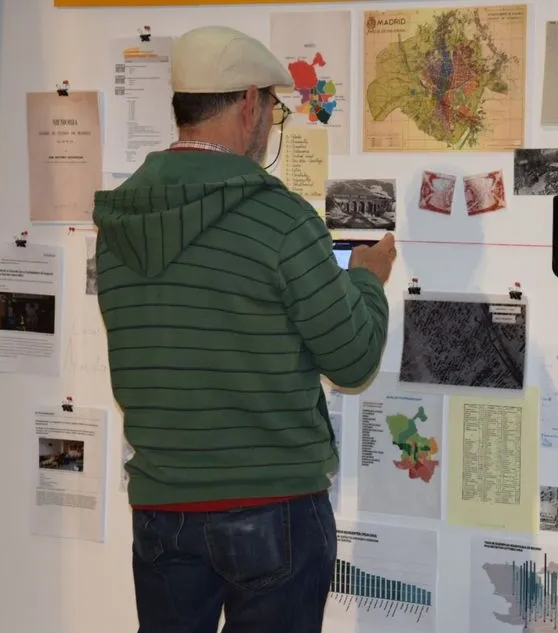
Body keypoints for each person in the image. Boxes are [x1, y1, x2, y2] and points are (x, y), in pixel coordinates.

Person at [91, 25, 397, 633]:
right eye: (275, 112)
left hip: (161, 513)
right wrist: (366, 280)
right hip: (272, 510)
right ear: (250, 103)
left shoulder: (119, 222)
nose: (270, 128)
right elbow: (355, 359)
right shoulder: (279, 218)